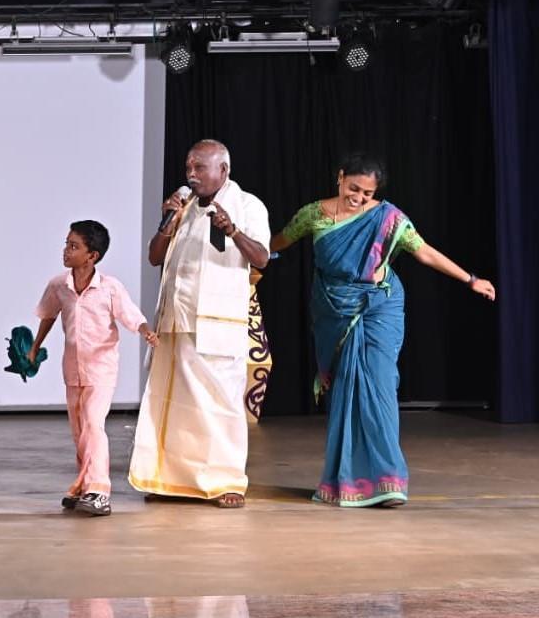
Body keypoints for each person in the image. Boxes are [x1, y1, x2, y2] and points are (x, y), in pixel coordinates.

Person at [270, 153, 496, 507]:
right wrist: (250, 257)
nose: (358, 197)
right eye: (353, 188)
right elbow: (280, 240)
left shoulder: (388, 218)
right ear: (340, 177)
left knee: (379, 385)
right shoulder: (313, 214)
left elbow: (424, 253)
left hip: (379, 307)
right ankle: (345, 481)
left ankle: (389, 482)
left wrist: (471, 279)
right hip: (335, 310)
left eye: (366, 192)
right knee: (346, 390)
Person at [129, 140, 270, 508]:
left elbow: (262, 258)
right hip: (176, 320)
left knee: (219, 405)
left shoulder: (248, 205)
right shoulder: (185, 206)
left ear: (223, 170)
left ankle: (225, 482)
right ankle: (171, 480)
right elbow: (154, 257)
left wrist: (233, 229)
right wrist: (167, 222)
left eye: (199, 168)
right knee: (172, 403)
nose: (190, 175)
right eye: (188, 168)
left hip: (217, 324)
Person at [28, 221, 158, 516]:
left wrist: (146, 331)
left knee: (93, 424)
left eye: (74, 246)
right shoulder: (59, 285)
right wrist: (35, 347)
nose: (66, 250)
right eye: (66, 243)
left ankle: (99, 490)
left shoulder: (110, 288)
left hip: (101, 369)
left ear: (92, 256)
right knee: (79, 430)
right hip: (72, 370)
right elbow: (48, 315)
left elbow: (131, 315)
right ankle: (84, 486)